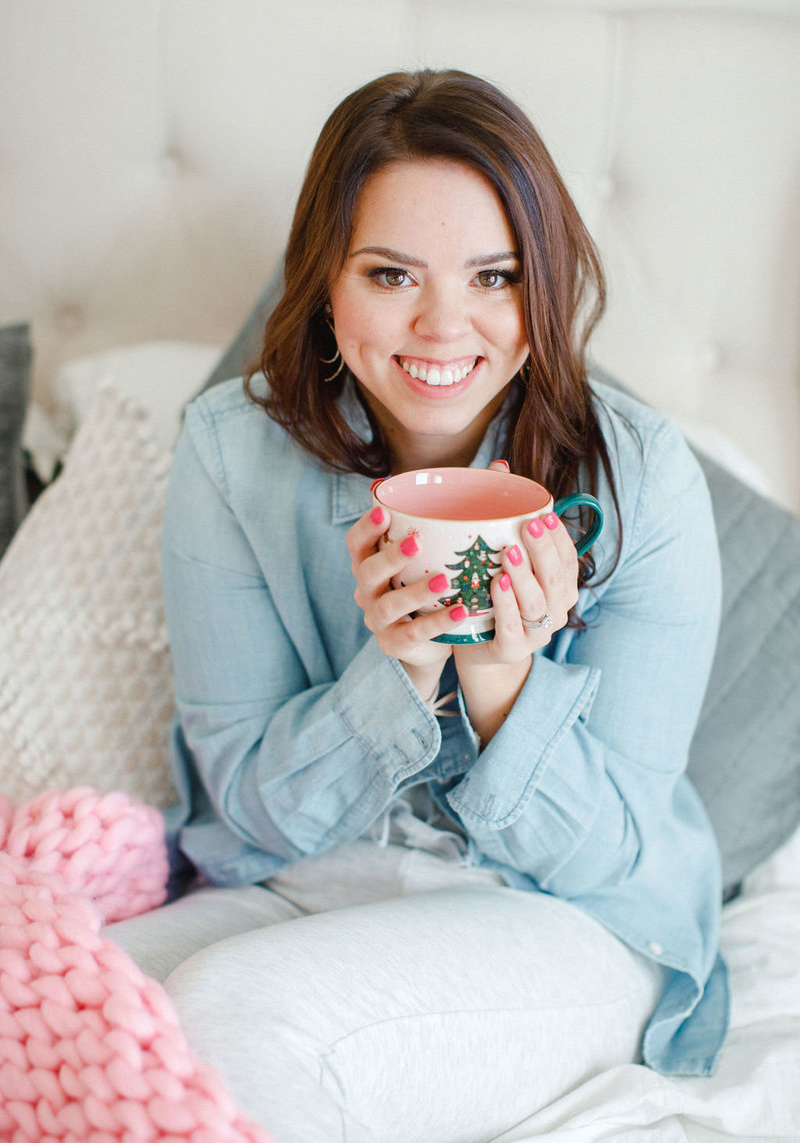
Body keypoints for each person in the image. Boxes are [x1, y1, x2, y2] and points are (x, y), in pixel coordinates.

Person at [105, 69, 728, 1143]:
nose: (445, 327)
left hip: (565, 918)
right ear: (325, 284)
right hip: (306, 883)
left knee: (235, 1017)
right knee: (59, 1000)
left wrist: (497, 677)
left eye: (494, 276)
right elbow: (245, 808)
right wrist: (390, 673)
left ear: (544, 287)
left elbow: (614, 852)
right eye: (392, 274)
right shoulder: (230, 453)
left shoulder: (641, 479)